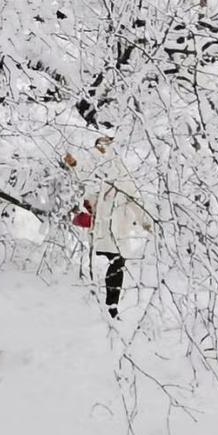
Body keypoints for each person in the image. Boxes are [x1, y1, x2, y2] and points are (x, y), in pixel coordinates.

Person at [64, 136, 152, 318]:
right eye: (99, 147)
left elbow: (136, 200)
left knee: (117, 264)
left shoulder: (121, 175)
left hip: (118, 230)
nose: (101, 151)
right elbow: (86, 178)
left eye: (104, 147)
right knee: (116, 264)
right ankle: (109, 306)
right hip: (104, 230)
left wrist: (147, 223)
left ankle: (111, 306)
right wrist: (74, 165)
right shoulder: (100, 172)